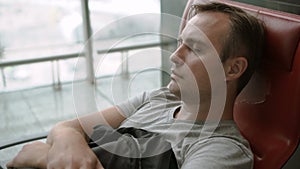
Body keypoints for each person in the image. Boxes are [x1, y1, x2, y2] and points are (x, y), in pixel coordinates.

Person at [7, 2, 265, 169]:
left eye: (195, 49)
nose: (174, 56)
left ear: (233, 68)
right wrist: (69, 146)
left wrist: (45, 156)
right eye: (179, 43)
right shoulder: (157, 98)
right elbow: (65, 128)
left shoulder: (221, 149)